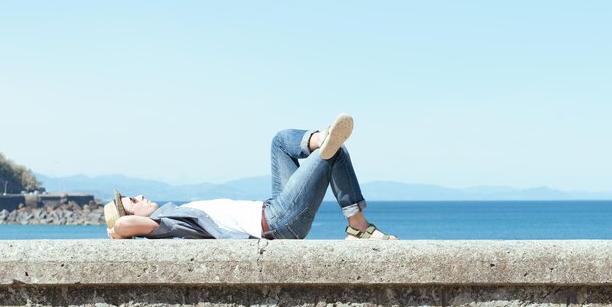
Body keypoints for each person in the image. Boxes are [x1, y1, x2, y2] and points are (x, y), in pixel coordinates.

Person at [105, 113, 397, 240]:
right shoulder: (165, 224)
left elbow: (128, 221)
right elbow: (128, 224)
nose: (139, 196)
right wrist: (117, 229)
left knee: (281, 141)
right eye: (132, 200)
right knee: (334, 153)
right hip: (279, 222)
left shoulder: (173, 215)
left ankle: (322, 138)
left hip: (272, 208)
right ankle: (359, 227)